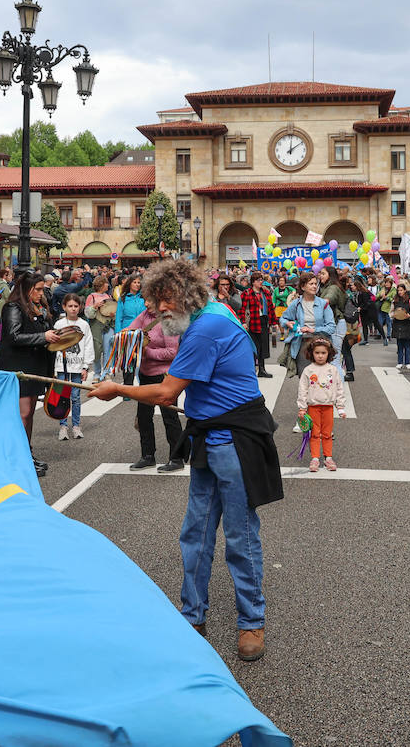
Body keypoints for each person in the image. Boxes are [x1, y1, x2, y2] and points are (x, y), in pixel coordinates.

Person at [87, 258, 282, 662]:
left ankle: (251, 622)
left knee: (240, 538)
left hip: (234, 443)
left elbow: (165, 393)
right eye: (154, 302)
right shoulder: (210, 314)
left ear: (185, 294)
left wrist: (116, 389)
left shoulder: (207, 327)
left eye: (163, 300)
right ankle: (193, 615)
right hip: (210, 439)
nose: (159, 310)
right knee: (195, 533)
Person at [0, 273, 59, 476]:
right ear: (26, 289)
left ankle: (26, 453)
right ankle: (19, 458)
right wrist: (43, 336)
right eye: (38, 289)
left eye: (42, 289)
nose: (42, 294)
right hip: (18, 367)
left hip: (34, 365)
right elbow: (13, 336)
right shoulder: (13, 307)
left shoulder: (38, 307)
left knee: (29, 413)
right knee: (23, 414)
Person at [122, 299, 186, 472]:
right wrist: (124, 338)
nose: (146, 304)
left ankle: (177, 458)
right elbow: (129, 332)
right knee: (143, 416)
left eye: (150, 300)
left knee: (170, 417)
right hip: (145, 373)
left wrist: (146, 351)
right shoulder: (144, 316)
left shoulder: (169, 320)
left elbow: (172, 352)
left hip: (165, 376)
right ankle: (147, 455)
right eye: (144, 299)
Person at [296, 336, 347, 472]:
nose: (320, 356)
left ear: (329, 354)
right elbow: (302, 389)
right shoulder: (308, 370)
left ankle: (328, 457)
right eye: (317, 353)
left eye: (323, 353)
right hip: (313, 407)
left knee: (327, 433)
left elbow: (339, 388)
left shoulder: (333, 370)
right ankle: (314, 458)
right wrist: (302, 407)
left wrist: (340, 406)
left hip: (328, 407)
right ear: (311, 353)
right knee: (314, 433)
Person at [53, 293, 93, 441]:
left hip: (77, 366)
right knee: (62, 397)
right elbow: (54, 345)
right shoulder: (59, 324)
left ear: (80, 307)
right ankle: (63, 426)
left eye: (76, 306)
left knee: (75, 397)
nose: (73, 309)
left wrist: (85, 367)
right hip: (62, 366)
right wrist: (54, 369)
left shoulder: (84, 325)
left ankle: (76, 426)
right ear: (64, 307)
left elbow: (88, 345)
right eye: (70, 306)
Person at [280, 273, 336, 369]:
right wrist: (287, 323)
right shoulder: (296, 304)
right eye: (311, 284)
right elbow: (283, 318)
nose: (314, 286)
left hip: (320, 345)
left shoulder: (323, 304)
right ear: (303, 287)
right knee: (304, 375)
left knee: (320, 378)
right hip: (301, 344)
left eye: (315, 284)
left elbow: (331, 327)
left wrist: (313, 330)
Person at [238, 271, 276, 378]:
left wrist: (274, 322)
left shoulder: (266, 292)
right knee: (253, 347)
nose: (261, 282)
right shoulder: (247, 293)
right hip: (253, 322)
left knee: (263, 347)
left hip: (263, 321)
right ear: (253, 282)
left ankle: (262, 369)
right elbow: (242, 309)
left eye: (262, 280)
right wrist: (243, 322)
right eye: (259, 280)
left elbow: (271, 309)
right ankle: (251, 370)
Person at [84, 275, 115, 375]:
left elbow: (111, 311)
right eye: (106, 283)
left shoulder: (108, 296)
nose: (108, 285)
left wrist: (112, 314)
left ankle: (106, 372)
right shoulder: (91, 296)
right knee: (96, 350)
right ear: (101, 284)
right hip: (96, 326)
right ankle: (97, 373)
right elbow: (88, 314)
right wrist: (95, 306)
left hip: (108, 325)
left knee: (108, 349)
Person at [390, 282, 410, 370]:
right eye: (398, 290)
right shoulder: (395, 301)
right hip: (397, 324)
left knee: (407, 345)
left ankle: (407, 362)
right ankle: (400, 362)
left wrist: (409, 316)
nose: (400, 292)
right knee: (399, 344)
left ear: (405, 290)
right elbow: (390, 313)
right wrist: (393, 315)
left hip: (407, 324)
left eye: (401, 290)